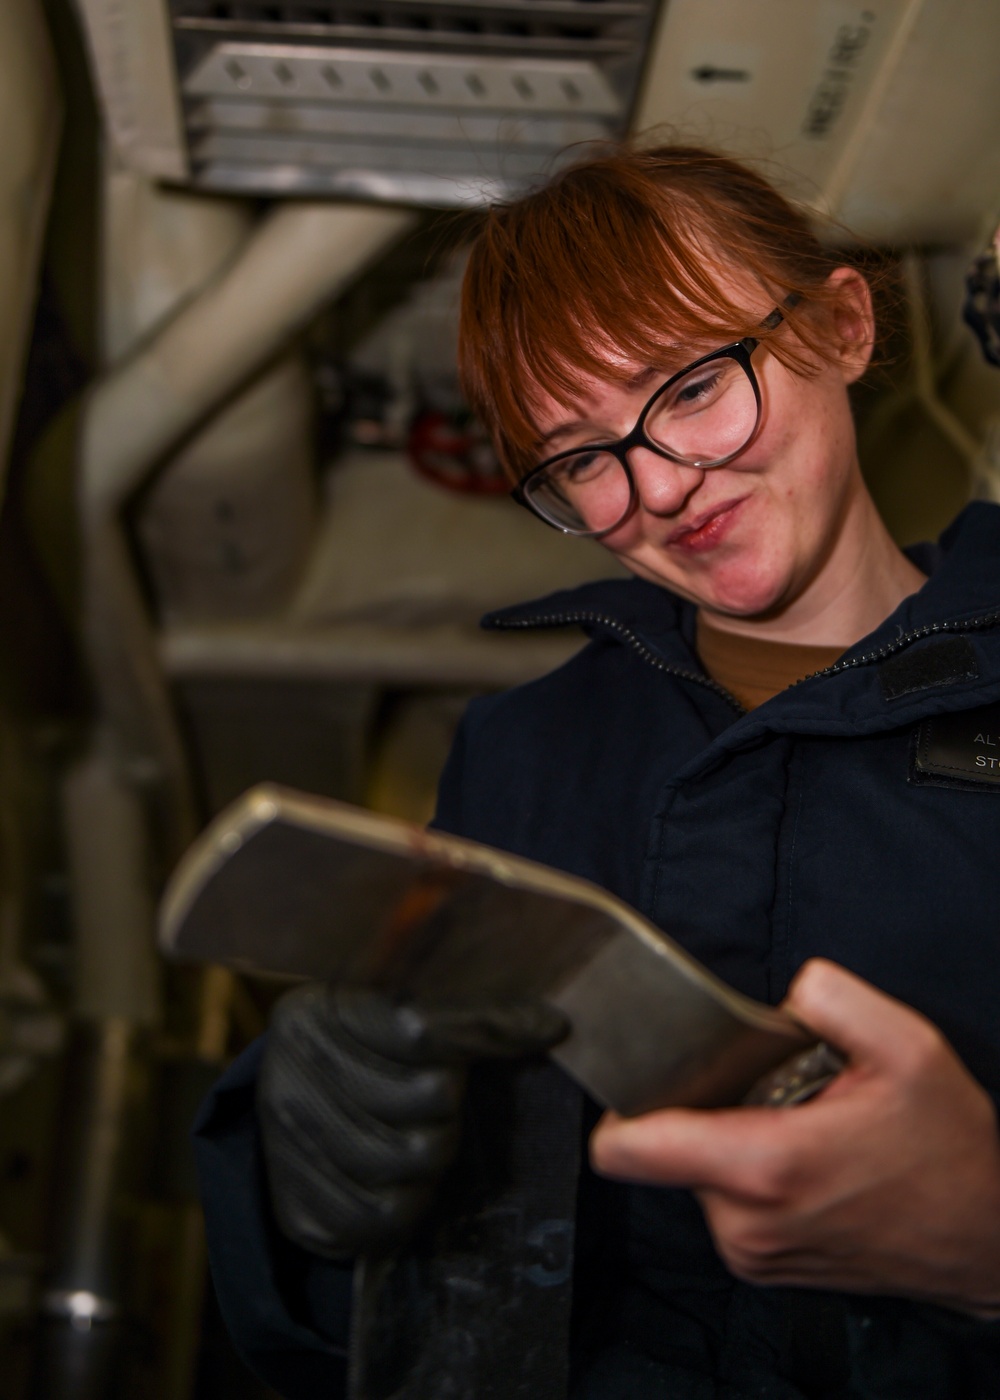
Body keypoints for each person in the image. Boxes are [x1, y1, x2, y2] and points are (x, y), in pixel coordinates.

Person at [194, 145, 1000, 1398]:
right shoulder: (521, 760)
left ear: (843, 325)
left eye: (687, 388)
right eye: (581, 458)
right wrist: (296, 1168)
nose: (662, 489)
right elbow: (422, 1297)